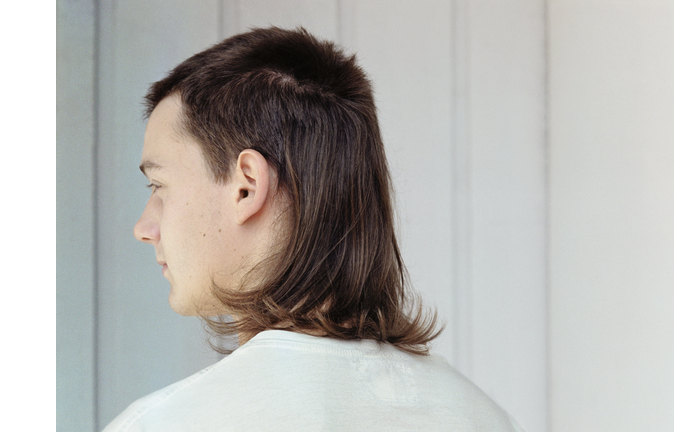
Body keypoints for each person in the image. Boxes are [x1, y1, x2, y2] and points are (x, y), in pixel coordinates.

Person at [104, 26, 523, 432]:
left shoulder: (166, 424)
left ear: (246, 186)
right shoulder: (484, 419)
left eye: (159, 185)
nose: (145, 227)